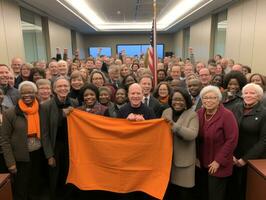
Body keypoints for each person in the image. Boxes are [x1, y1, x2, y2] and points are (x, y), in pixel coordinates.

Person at [0, 81, 54, 200]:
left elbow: (47, 133)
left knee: (37, 187)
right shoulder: (10, 113)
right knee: (22, 189)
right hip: (20, 158)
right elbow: (4, 140)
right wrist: (10, 163)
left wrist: (50, 155)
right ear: (19, 94)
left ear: (35, 93)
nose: (27, 95)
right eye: (23, 92)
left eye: (30, 92)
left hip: (39, 155)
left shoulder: (42, 109)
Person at [197, 85, 238, 200]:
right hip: (202, 163)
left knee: (215, 196)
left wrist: (218, 161)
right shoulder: (199, 113)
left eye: (212, 98)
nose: (208, 100)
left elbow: (232, 140)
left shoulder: (227, 115)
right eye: (205, 98)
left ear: (218, 99)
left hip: (219, 164)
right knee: (203, 194)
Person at [40, 77, 78, 200]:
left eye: (65, 86)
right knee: (54, 178)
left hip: (71, 146)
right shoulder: (46, 106)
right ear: (54, 89)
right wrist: (49, 155)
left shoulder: (74, 102)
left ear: (69, 87)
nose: (63, 88)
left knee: (69, 175)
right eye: (60, 86)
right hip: (55, 146)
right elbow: (44, 133)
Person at [229, 83, 266, 200]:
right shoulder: (235, 107)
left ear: (259, 96)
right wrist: (230, 155)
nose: (248, 95)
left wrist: (244, 159)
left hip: (252, 160)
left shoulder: (264, 113)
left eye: (252, 93)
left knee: (246, 192)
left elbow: (264, 141)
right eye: (246, 93)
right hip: (232, 158)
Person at [162, 88, 199, 200]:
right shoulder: (166, 112)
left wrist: (174, 126)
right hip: (167, 161)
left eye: (180, 100)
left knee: (184, 194)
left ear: (186, 101)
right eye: (174, 99)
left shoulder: (192, 114)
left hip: (184, 163)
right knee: (170, 193)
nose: (177, 102)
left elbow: (192, 134)